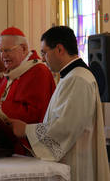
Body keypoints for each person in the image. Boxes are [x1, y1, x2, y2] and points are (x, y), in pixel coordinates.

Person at [10, 26, 110, 181]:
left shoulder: (78, 79)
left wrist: (26, 130)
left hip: (77, 163)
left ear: (59, 49)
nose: (42, 58)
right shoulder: (70, 76)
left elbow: (66, 127)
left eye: (44, 52)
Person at [0, 27, 56, 155]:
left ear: (24, 48)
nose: (3, 56)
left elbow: (36, 114)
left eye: (7, 50)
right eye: (1, 51)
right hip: (9, 147)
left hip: (28, 149)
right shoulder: (11, 73)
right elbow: (2, 101)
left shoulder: (39, 72)